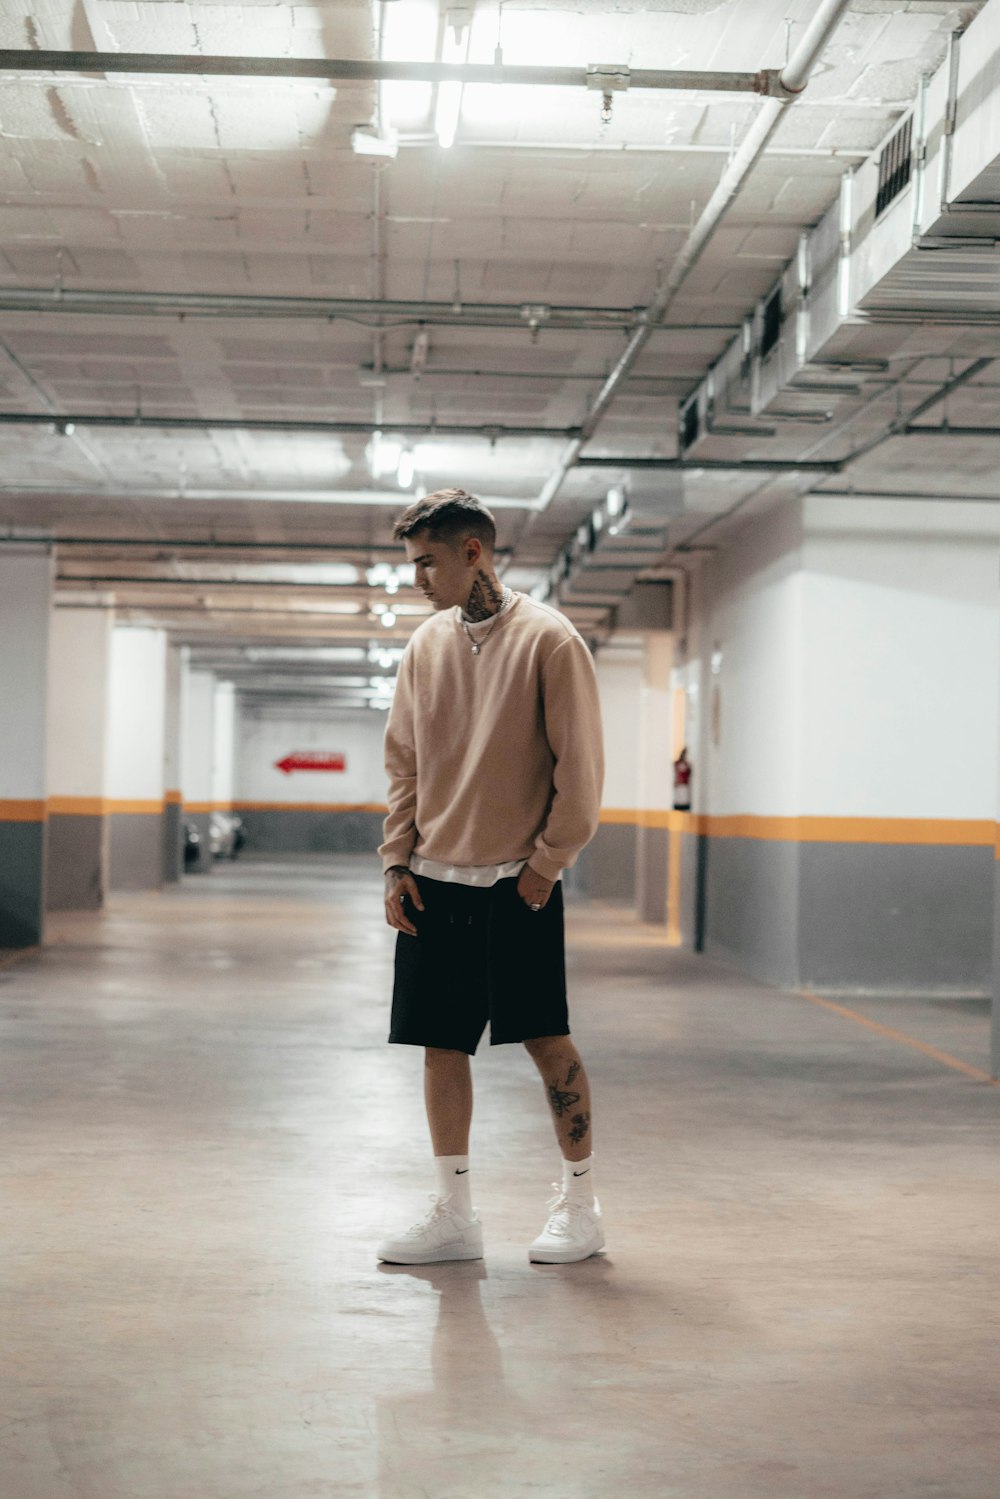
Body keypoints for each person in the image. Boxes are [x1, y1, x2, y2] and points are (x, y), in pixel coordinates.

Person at [377, 487, 605, 1266]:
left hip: (519, 883)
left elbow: (582, 773)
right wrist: (396, 861)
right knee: (441, 1046)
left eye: (427, 563)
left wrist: (546, 867)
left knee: (548, 1043)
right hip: (434, 885)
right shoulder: (425, 646)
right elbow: (403, 764)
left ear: (473, 552)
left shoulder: (550, 642)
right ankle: (456, 1211)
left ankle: (581, 1203)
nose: (418, 579)